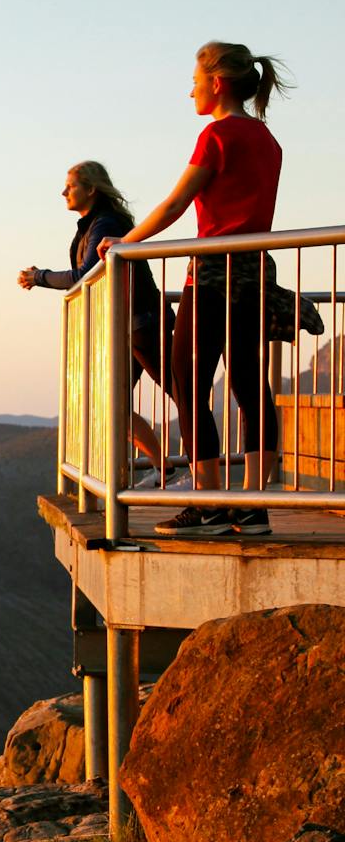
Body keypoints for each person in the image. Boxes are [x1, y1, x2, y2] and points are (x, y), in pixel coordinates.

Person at [100, 41, 290, 536]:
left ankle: (205, 503)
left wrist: (124, 243)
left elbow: (174, 205)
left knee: (187, 380)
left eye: (194, 81)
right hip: (255, 270)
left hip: (212, 271)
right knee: (249, 383)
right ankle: (253, 504)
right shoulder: (268, 140)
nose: (190, 92)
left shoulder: (216, 136)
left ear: (217, 82)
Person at [19, 160, 176, 484]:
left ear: (91, 189)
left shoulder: (104, 224)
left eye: (71, 186)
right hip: (128, 326)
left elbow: (86, 274)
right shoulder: (96, 223)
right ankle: (166, 470)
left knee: (183, 397)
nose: (64, 192)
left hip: (141, 323)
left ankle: (197, 477)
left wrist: (39, 277)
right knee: (112, 404)